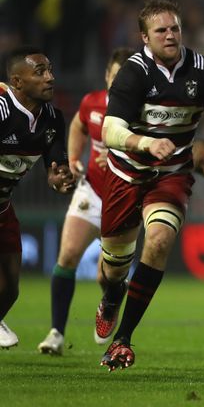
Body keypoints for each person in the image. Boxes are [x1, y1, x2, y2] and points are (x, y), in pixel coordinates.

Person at [96, 0, 204, 371]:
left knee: (158, 241)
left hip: (171, 173)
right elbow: (110, 130)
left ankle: (122, 339)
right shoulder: (132, 72)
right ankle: (111, 297)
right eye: (161, 30)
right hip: (126, 174)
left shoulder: (203, 70)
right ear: (144, 37)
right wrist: (145, 143)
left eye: (175, 28)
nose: (171, 35)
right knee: (112, 271)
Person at [36, 48, 134, 355]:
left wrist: (122, 155)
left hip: (126, 197)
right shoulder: (92, 103)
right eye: (116, 75)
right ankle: (56, 333)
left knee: (107, 275)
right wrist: (74, 157)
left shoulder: (141, 109)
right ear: (107, 76)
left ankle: (111, 300)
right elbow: (78, 124)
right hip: (92, 190)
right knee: (67, 256)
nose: (120, 81)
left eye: (127, 76)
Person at [0, 47, 76, 349]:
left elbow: (56, 167)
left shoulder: (53, 119)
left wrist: (60, 179)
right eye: (40, 72)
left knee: (9, 289)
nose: (50, 78)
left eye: (50, 70)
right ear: (17, 82)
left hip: (4, 208)